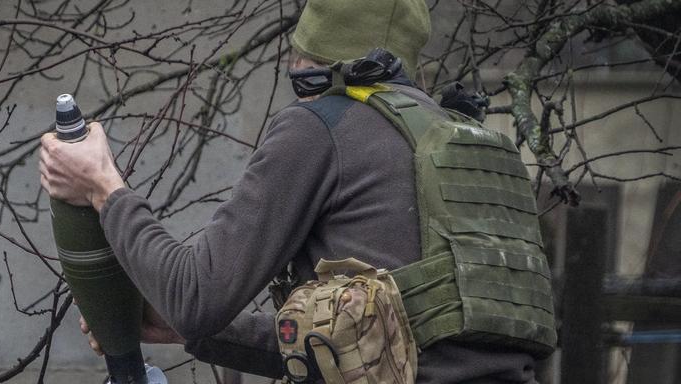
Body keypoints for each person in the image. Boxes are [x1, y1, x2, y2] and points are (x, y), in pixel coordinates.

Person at [39, 0, 540, 382]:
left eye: (301, 77)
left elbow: (193, 296)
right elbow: (388, 340)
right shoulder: (470, 147)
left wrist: (103, 186)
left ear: (318, 68)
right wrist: (184, 328)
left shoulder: (325, 123)